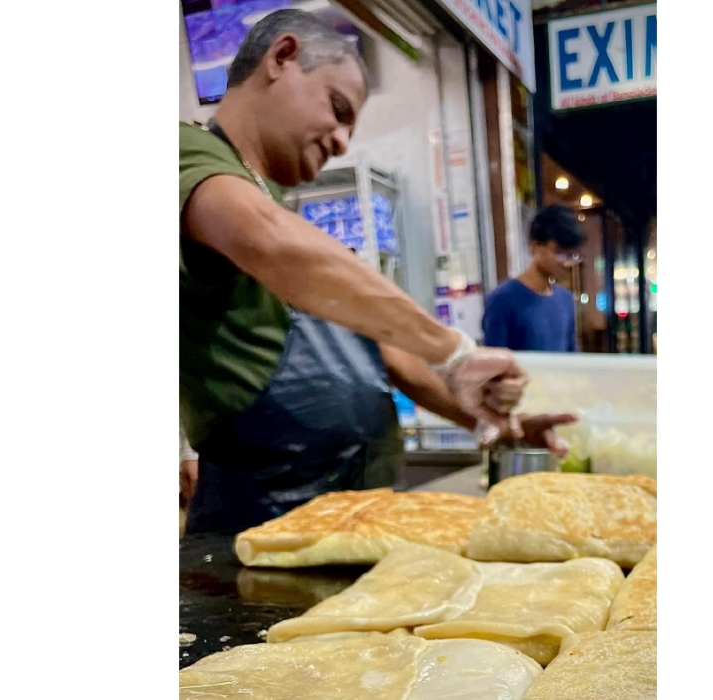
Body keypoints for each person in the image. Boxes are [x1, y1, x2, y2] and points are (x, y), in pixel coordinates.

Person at [180, 10, 533, 535]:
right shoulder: (188, 156)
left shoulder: (283, 212)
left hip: (361, 517)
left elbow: (379, 350)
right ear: (282, 57)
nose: (344, 141)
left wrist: (486, 417)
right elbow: (274, 245)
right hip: (260, 531)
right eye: (338, 109)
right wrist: (454, 348)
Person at [481, 205, 585, 352]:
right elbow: (494, 364)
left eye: (572, 255)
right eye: (559, 253)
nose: (567, 263)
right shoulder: (503, 299)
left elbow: (572, 357)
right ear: (535, 246)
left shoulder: (566, 300)